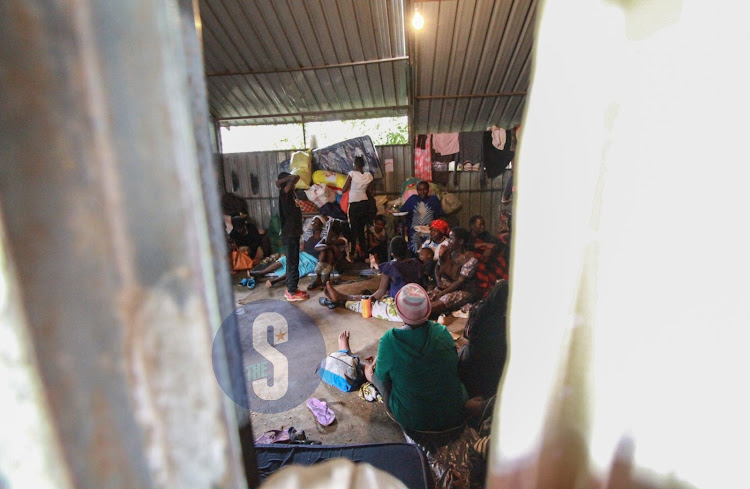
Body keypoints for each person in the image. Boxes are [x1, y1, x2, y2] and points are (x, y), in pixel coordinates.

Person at [363, 283, 468, 432]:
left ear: (399, 312)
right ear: (428, 309)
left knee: (376, 377)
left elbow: (382, 376)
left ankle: (370, 379)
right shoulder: (443, 332)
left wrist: (372, 377)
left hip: (416, 421)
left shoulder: (389, 340)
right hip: (453, 413)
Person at [322, 236, 423, 322]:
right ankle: (343, 297)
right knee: (384, 295)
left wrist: (366, 299)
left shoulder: (390, 267)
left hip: (402, 311)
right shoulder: (417, 263)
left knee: (370, 304)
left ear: (392, 253)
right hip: (419, 306)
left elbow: (379, 293)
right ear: (407, 250)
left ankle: (343, 298)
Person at [429, 227, 479, 317]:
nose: (448, 241)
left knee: (446, 299)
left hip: (463, 290)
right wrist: (439, 282)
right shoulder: (447, 251)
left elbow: (459, 282)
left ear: (460, 242)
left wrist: (441, 293)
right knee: (429, 296)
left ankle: (421, 313)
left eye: (451, 239)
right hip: (447, 286)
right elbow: (437, 268)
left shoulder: (470, 259)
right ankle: (422, 312)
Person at [275, 172, 309, 302]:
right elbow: (293, 179)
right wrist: (288, 179)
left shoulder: (291, 193)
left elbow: (298, 177)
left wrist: (292, 179)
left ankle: (292, 288)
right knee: (292, 262)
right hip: (289, 234)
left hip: (293, 233)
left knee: (293, 262)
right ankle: (291, 291)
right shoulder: (284, 193)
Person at [467, 215, 509, 299]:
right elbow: (466, 245)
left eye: (484, 225)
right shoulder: (467, 236)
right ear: (472, 225)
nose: (482, 227)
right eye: (480, 225)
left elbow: (498, 245)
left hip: (488, 261)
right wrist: (484, 244)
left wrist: (491, 248)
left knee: (499, 260)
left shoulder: (486, 235)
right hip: (474, 261)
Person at [342, 156, 373, 260]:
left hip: (354, 204)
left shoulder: (352, 174)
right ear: (363, 165)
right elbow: (370, 191)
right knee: (361, 230)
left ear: (354, 165)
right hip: (364, 204)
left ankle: (351, 253)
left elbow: (344, 189)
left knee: (353, 230)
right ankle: (364, 254)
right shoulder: (369, 176)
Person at [399, 181, 443, 254]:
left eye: (425, 189)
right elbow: (402, 211)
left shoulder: (434, 199)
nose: (422, 192)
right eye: (420, 190)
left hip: (429, 230)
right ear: (417, 190)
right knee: (415, 247)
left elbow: (439, 215)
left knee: (430, 248)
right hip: (415, 230)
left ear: (428, 190)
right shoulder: (412, 199)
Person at [308, 219, 351, 290]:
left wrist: (330, 228)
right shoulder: (327, 239)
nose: (329, 233)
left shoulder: (342, 239)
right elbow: (316, 247)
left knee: (329, 250)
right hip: (330, 263)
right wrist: (328, 247)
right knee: (325, 250)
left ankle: (325, 281)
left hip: (341, 264)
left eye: (330, 231)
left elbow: (328, 241)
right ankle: (319, 279)